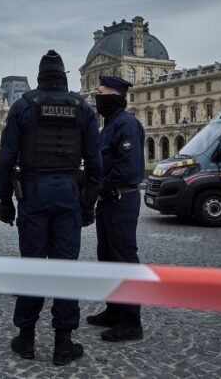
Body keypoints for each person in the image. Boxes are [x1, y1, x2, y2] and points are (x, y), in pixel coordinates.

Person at [0, 50, 101, 366]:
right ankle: (63, 343)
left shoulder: (22, 107)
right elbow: (96, 163)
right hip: (69, 193)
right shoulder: (83, 109)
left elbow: (5, 162)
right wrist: (88, 204)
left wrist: (5, 202)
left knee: (32, 267)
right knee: (65, 269)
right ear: (64, 75)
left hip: (33, 193)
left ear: (40, 76)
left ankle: (26, 338)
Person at [86, 75, 145, 341]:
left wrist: (99, 185)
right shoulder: (109, 125)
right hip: (109, 201)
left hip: (121, 199)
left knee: (124, 259)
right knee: (107, 257)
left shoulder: (127, 125)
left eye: (100, 92)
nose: (96, 97)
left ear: (114, 95)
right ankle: (114, 309)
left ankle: (132, 321)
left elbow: (129, 169)